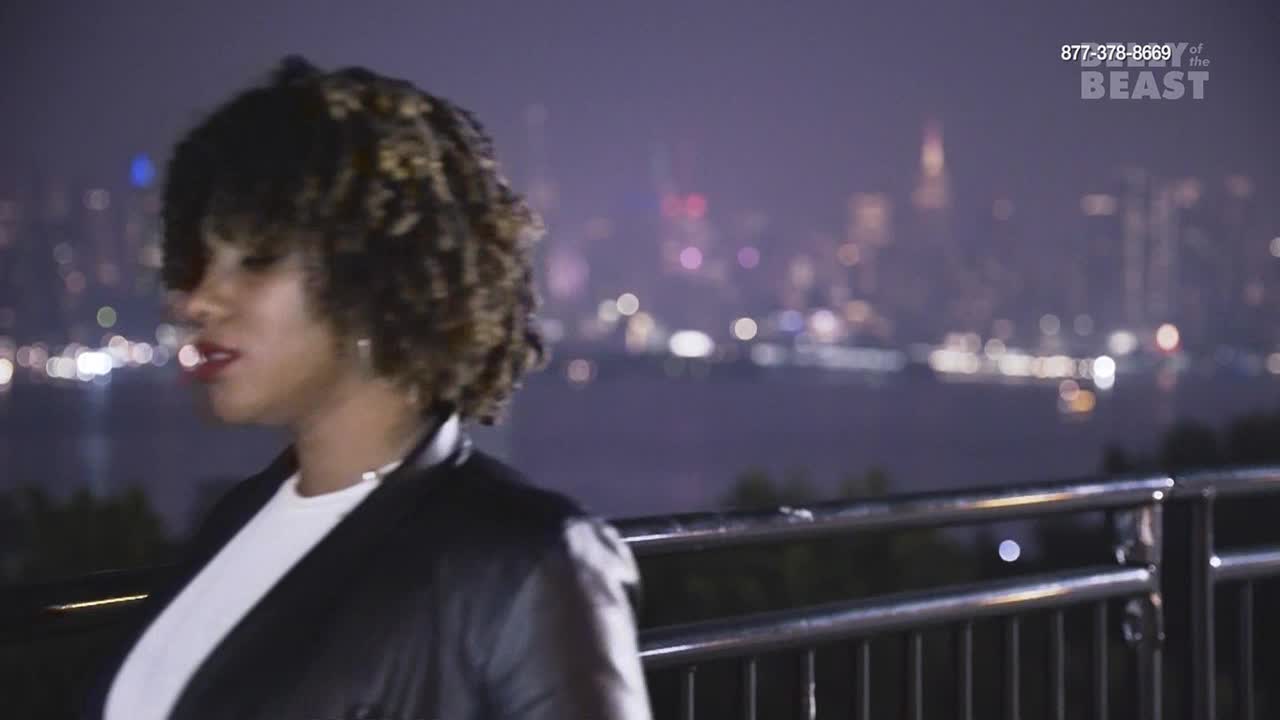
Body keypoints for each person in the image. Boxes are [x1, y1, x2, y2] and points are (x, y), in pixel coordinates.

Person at [81, 55, 653, 720]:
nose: (199, 301)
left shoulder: (527, 563)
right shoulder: (236, 519)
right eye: (201, 262)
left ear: (377, 280)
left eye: (255, 260)